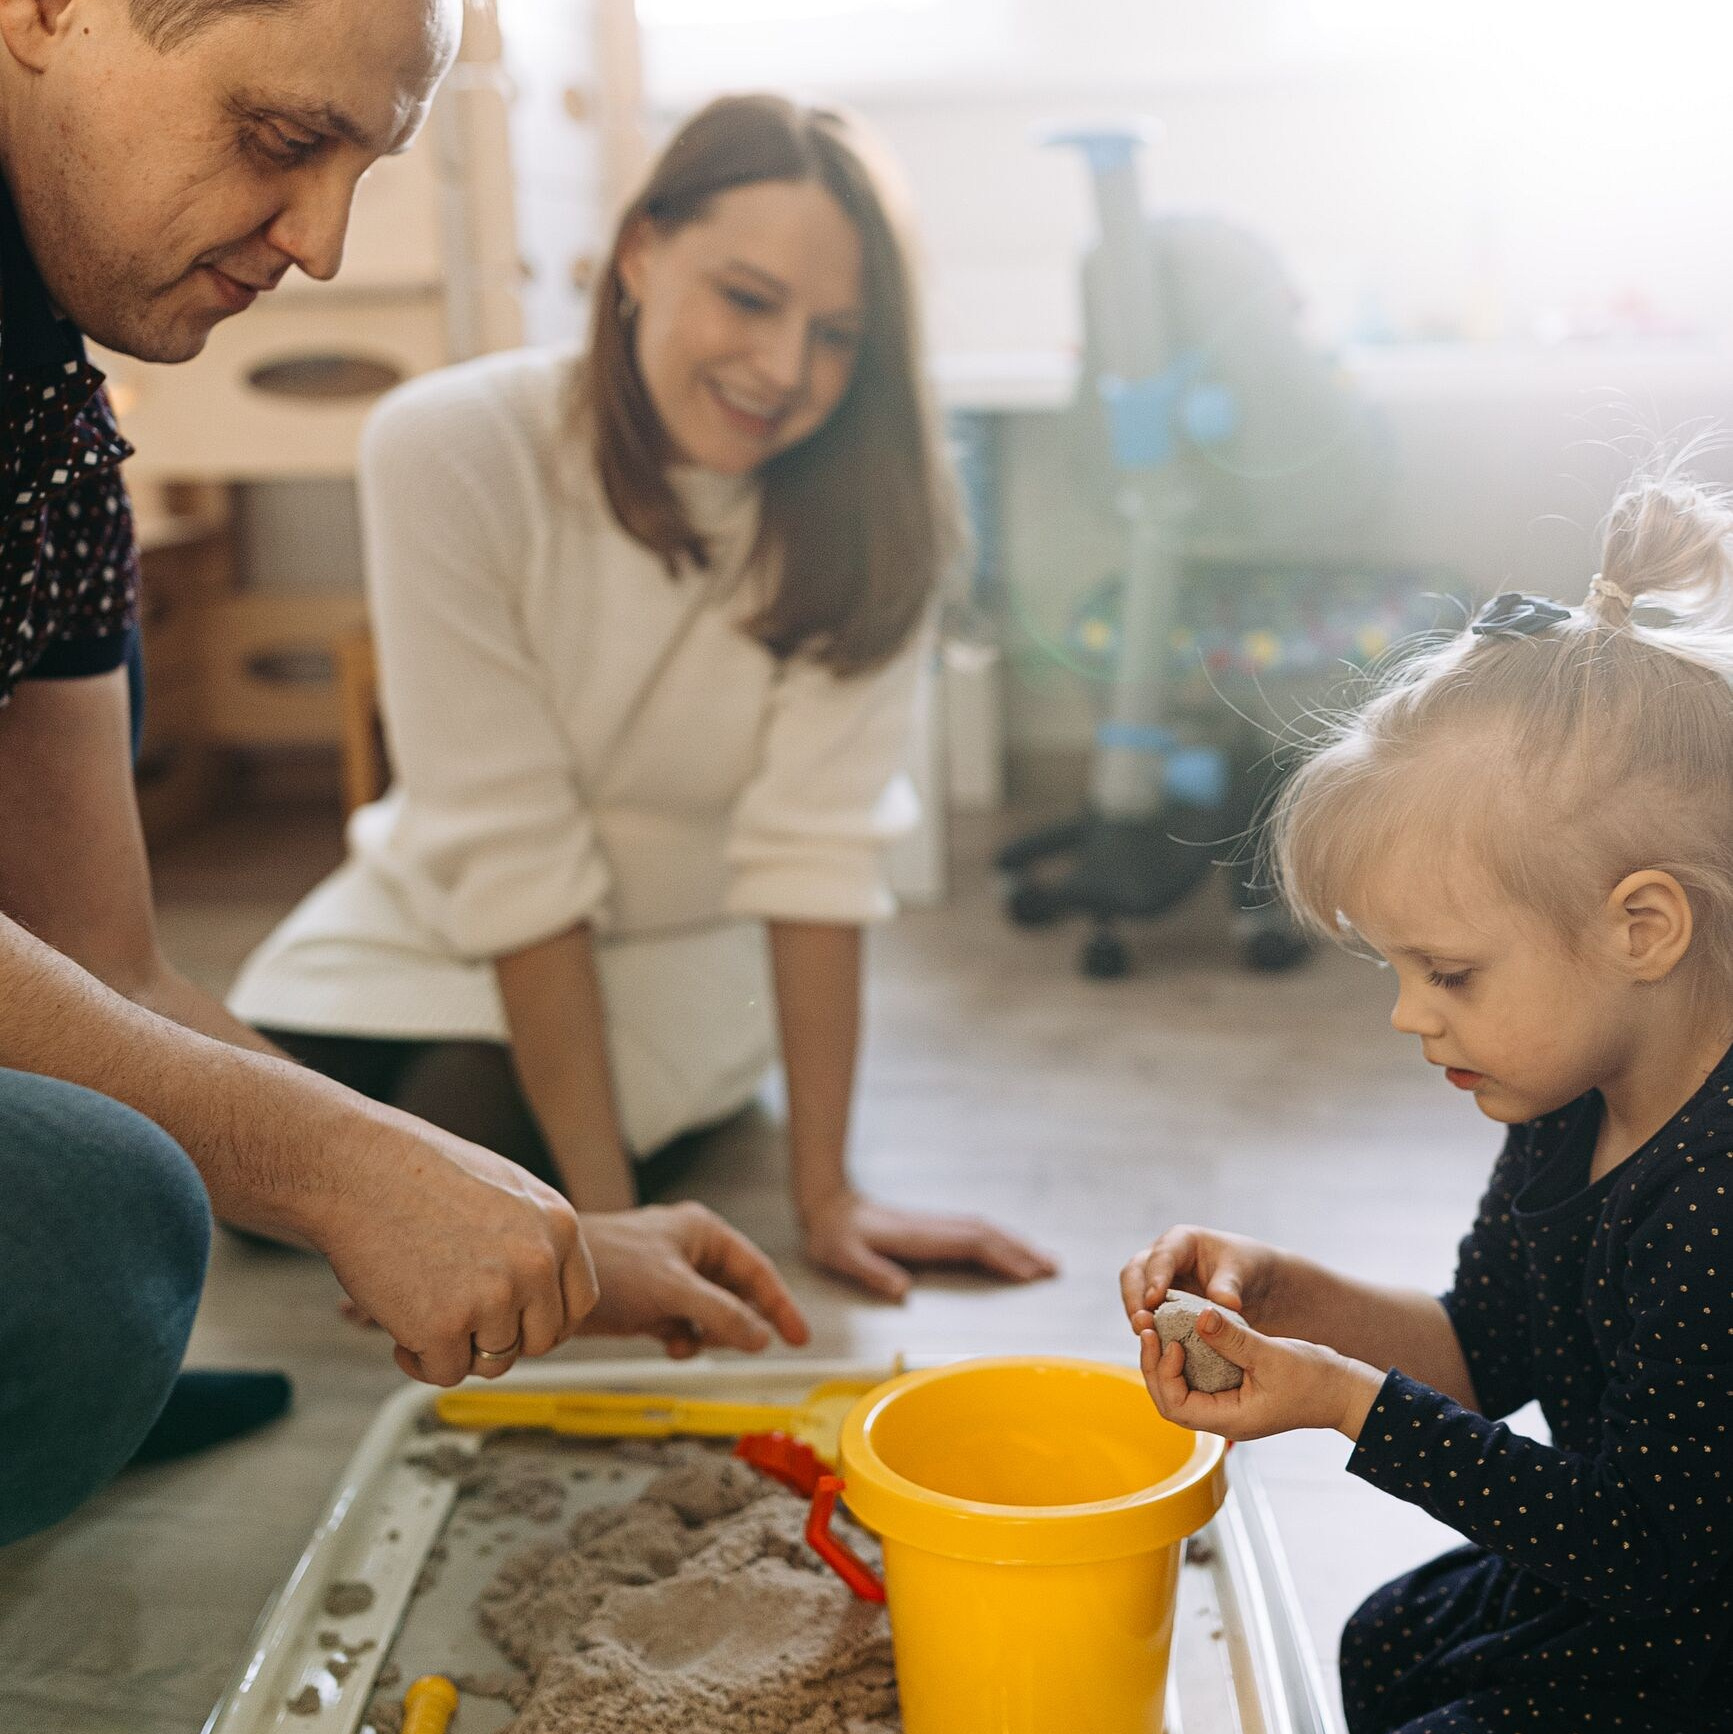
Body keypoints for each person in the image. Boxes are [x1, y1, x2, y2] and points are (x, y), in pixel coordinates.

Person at [0, 0, 805, 1552]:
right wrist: (338, 1166)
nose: (319, 244)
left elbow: (106, 962)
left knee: (124, 1208)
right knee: (95, 1222)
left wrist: (535, 1221)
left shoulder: (55, 422)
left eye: (363, 168)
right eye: (277, 137)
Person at [228, 94, 1057, 1301]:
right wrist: (606, 1241)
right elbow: (506, 844)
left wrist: (819, 1197)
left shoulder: (879, 518)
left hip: (686, 943)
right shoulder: (449, 446)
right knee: (241, 1167)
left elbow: (814, 856)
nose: (784, 370)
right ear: (639, 253)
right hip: (442, 904)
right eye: (747, 300)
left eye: (837, 336)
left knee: (457, 1134)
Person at [1120, 466, 1733, 1732]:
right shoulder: (1567, 1095)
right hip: (1627, 1569)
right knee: (1385, 1642)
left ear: (1641, 929)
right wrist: (1287, 1300)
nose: (1408, 1015)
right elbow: (1485, 1345)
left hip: (1687, 1613)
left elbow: (1649, 1552)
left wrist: (1344, 1404)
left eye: (1447, 973)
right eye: (1393, 969)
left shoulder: (1709, 1207)